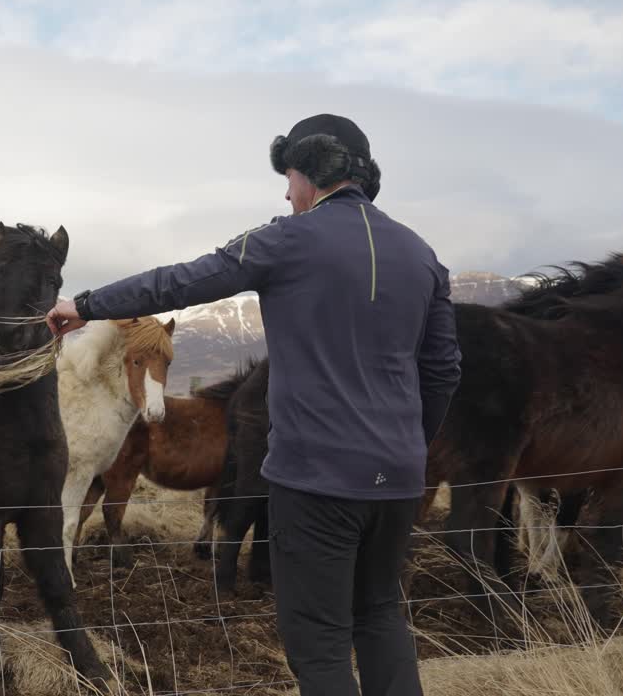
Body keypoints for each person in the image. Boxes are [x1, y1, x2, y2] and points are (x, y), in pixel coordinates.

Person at [46, 114, 461, 696]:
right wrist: (408, 447)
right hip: (396, 482)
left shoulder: (287, 238)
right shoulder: (422, 254)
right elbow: (443, 368)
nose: (285, 193)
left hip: (316, 480)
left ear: (314, 172)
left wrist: (88, 303)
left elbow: (182, 281)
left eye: (289, 176)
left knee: (317, 641)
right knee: (382, 617)